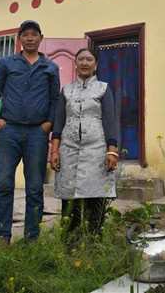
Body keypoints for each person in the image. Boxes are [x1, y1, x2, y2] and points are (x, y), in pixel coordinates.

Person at [0, 20, 60, 245]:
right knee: (3, 184)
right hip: (9, 131)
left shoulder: (50, 67)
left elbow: (55, 99)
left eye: (34, 34)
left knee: (35, 187)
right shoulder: (6, 63)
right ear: (19, 38)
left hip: (37, 134)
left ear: (41, 38)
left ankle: (31, 239)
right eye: (25, 34)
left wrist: (49, 123)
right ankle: (3, 237)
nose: (29, 38)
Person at [49, 48, 119, 243]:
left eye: (89, 59)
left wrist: (112, 152)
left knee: (95, 197)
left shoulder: (104, 89)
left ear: (96, 64)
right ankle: (69, 243)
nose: (85, 63)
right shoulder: (66, 90)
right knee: (69, 199)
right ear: (76, 63)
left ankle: (94, 243)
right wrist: (54, 150)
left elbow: (110, 121)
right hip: (69, 149)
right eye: (80, 59)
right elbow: (59, 122)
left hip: (96, 149)